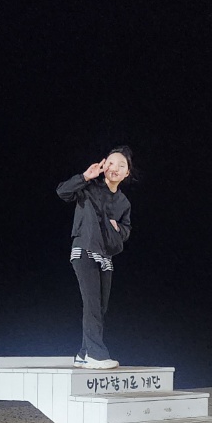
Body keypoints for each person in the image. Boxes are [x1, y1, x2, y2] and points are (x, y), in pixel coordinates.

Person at [56, 147, 133, 369]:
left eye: (121, 166)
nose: (115, 168)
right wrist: (84, 177)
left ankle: (83, 353)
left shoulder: (124, 202)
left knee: (100, 307)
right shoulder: (89, 187)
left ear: (127, 173)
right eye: (111, 163)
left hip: (105, 256)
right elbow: (62, 192)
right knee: (92, 304)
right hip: (84, 250)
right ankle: (96, 354)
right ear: (103, 165)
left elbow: (126, 230)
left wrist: (119, 229)